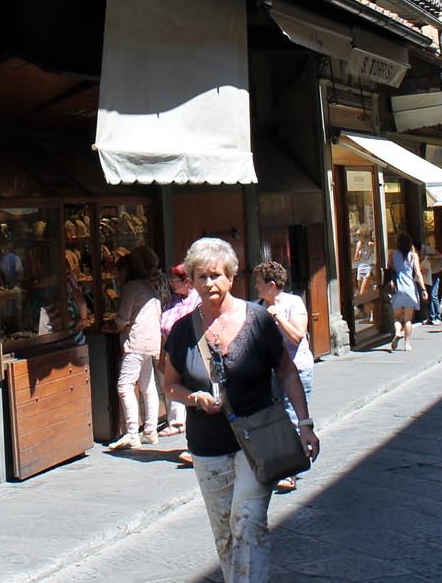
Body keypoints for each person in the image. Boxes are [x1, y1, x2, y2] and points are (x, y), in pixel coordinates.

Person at [163, 237, 319, 583]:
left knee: (247, 523)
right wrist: (194, 399)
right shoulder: (181, 331)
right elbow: (170, 385)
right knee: (225, 533)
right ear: (191, 279)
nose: (209, 284)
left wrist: (305, 423)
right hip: (207, 446)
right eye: (201, 276)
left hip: (258, 441)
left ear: (231, 277)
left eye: (217, 275)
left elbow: (286, 371)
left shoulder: (258, 320)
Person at [253, 261, 312, 493]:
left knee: (293, 417)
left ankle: (292, 472)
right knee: (275, 420)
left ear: (272, 285)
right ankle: (282, 465)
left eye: (259, 283)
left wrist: (278, 317)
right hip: (270, 372)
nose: (256, 287)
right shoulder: (257, 305)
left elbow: (297, 336)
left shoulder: (293, 303)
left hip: (297, 369)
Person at [109, 244, 165, 450]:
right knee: (147, 385)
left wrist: (115, 325)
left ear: (126, 270)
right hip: (151, 341)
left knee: (124, 385)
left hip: (135, 342)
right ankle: (150, 430)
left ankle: (132, 432)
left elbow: (123, 317)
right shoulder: (149, 286)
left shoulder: (131, 287)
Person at [158, 263, 199, 439]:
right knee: (170, 384)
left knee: (188, 385)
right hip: (170, 347)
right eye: (172, 280)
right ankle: (175, 420)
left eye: (176, 280)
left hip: (190, 349)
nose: (172, 283)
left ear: (188, 281)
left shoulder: (197, 299)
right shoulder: (173, 299)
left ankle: (190, 429)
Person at [387, 233, 426, 352]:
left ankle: (398, 332)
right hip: (410, 288)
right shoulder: (413, 256)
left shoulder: (393, 254)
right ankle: (407, 343)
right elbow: (418, 274)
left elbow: (389, 269)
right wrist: (423, 289)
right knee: (408, 319)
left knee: (397, 317)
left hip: (398, 288)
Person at [421, 242, 442, 326]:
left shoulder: (426, 249)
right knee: (428, 296)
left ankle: (438, 317)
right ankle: (431, 317)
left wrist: (429, 257)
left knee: (433, 295)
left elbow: (440, 255)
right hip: (426, 273)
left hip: (434, 272)